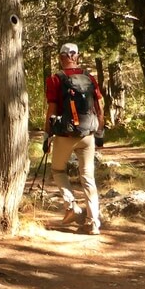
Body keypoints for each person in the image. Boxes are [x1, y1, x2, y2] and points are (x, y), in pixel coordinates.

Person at [43, 42, 106, 234]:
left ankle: (71, 206)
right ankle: (93, 222)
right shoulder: (89, 78)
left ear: (61, 57)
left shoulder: (55, 79)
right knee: (88, 177)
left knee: (58, 170)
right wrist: (100, 133)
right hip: (87, 135)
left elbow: (52, 109)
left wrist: (47, 135)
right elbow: (99, 107)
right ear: (76, 56)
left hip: (65, 134)